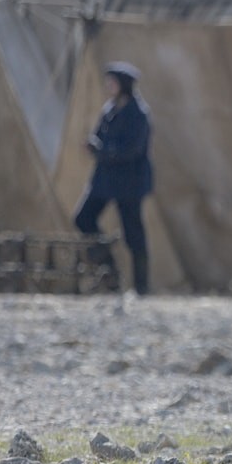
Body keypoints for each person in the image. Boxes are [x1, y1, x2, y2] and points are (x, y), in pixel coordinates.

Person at [74, 61, 154, 295]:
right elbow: (100, 136)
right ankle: (109, 272)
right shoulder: (109, 109)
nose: (109, 86)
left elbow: (132, 149)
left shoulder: (138, 113)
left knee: (133, 233)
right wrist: (94, 145)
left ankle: (141, 286)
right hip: (105, 179)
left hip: (129, 182)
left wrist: (104, 150)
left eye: (113, 82)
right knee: (83, 218)